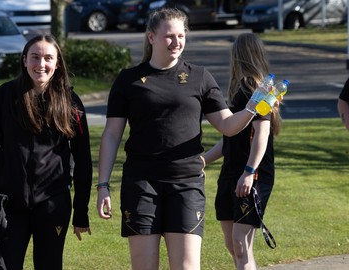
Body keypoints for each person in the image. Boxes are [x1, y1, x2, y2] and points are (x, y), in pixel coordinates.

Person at [96, 8, 266, 270]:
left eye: (181, 36)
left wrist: (254, 107)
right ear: (151, 37)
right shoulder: (128, 80)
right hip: (141, 183)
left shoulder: (199, 77)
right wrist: (103, 185)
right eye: (169, 36)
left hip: (186, 184)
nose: (176, 42)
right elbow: (111, 135)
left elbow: (227, 126)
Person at [0, 34, 93, 270]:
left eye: (48, 58)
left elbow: (83, 160)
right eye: (35, 57)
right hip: (10, 203)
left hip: (53, 204)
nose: (41, 64)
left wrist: (81, 211)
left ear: (57, 63)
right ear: (24, 60)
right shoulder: (4, 96)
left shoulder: (70, 102)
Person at [204, 33, 282, 270]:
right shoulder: (240, 89)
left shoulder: (254, 90)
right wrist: (203, 159)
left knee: (240, 243)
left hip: (252, 174)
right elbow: (231, 138)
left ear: (238, 56)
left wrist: (249, 171)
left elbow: (263, 133)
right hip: (231, 171)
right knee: (235, 246)